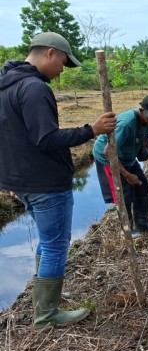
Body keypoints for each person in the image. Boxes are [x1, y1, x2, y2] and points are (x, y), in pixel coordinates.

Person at [0, 32, 116, 329]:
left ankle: (47, 294)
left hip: (22, 180)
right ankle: (47, 314)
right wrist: (91, 129)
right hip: (45, 181)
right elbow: (46, 139)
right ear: (50, 53)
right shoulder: (34, 88)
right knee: (55, 244)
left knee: (47, 239)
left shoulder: (6, 85)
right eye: (63, 62)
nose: (62, 70)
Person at [93, 95, 148, 238]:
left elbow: (145, 137)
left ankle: (144, 225)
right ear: (141, 110)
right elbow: (109, 152)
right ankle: (126, 230)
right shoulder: (127, 123)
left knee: (142, 184)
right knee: (124, 192)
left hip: (127, 156)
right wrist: (127, 175)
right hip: (107, 157)